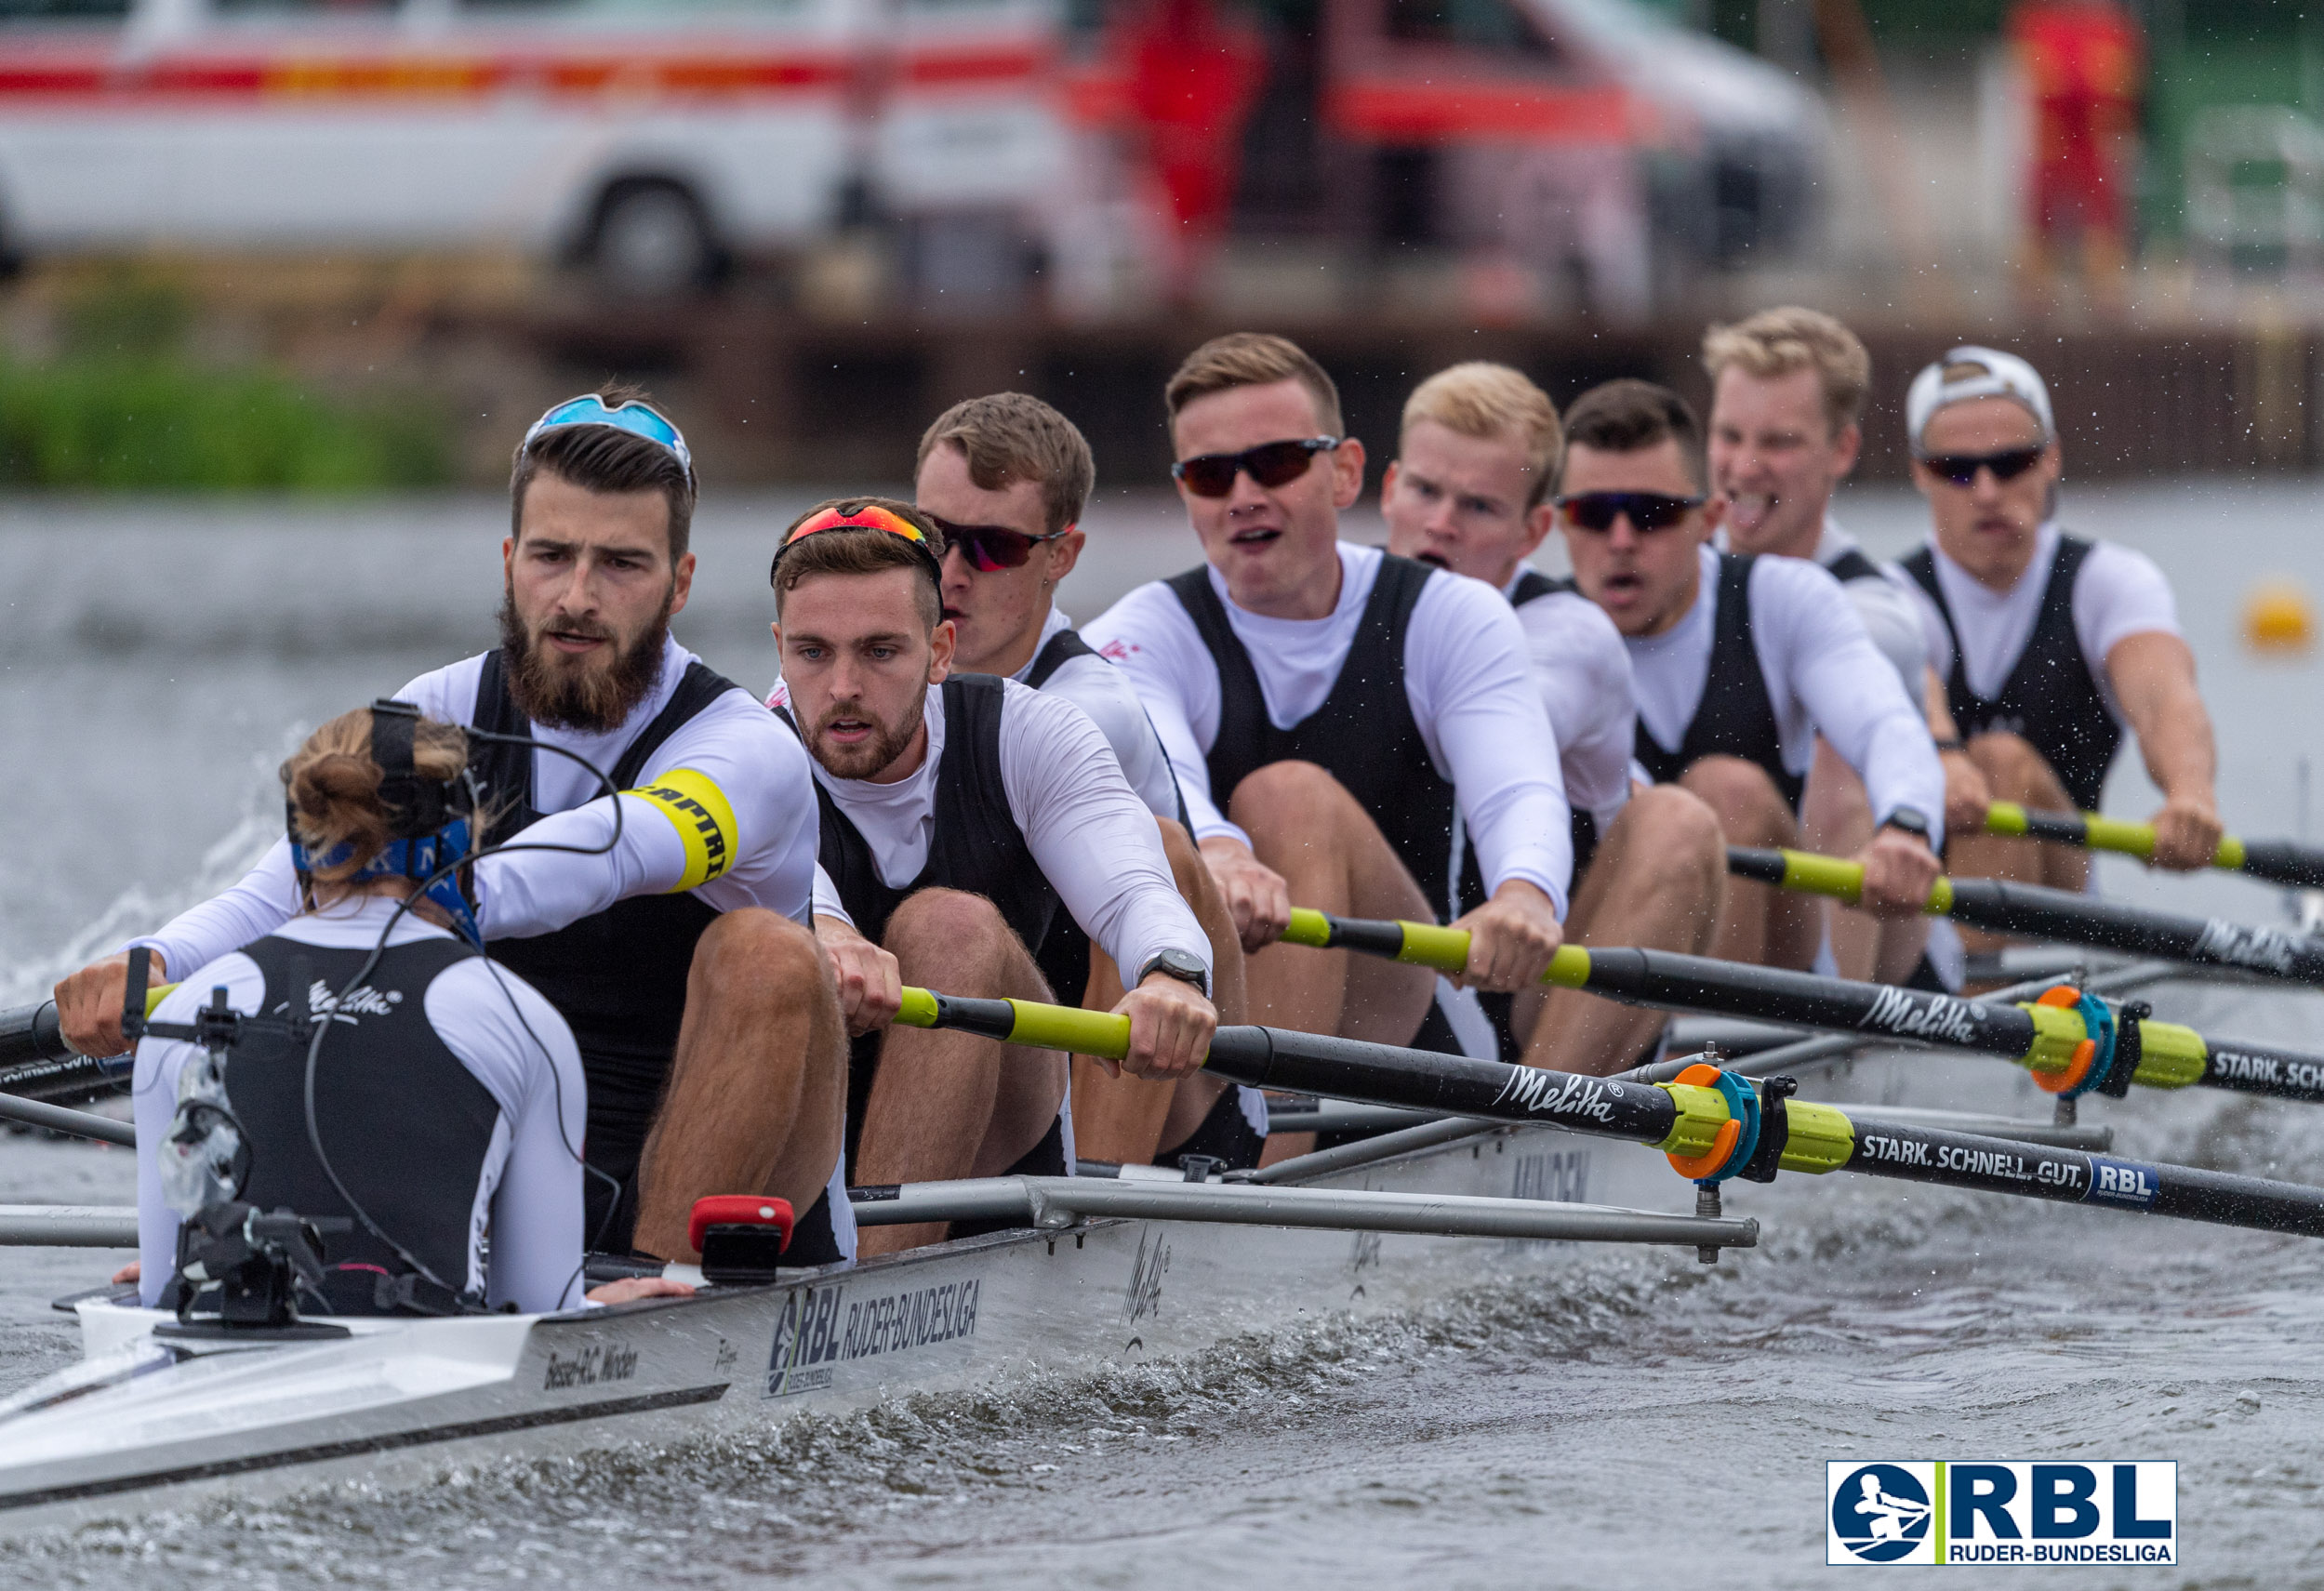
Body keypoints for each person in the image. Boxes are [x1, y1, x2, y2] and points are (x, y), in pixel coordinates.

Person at [61, 389, 850, 1268]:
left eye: (622, 564)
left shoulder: (746, 749)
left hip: (711, 1168)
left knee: (766, 952)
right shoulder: (434, 709)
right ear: (511, 559)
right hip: (491, 1152)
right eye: (551, 556)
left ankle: (658, 1289)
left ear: (681, 581)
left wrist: (409, 884)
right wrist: (157, 962)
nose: (577, 596)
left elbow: (616, 847)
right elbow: (283, 884)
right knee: (322, 968)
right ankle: (273, 1246)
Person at [1084, 333, 1569, 1125]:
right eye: (1210, 474)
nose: (1241, 493)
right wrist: (1224, 853)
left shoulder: (1449, 614)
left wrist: (1524, 893)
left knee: (1289, 797)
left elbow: (1517, 784)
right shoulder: (1141, 634)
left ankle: (1261, 1183)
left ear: (1344, 473)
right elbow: (1164, 775)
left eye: (1273, 463)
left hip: (1416, 1031)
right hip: (1213, 1019)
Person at [768, 500, 1218, 1255]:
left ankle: (866, 1293)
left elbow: (1135, 886)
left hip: (1011, 1133)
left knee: (947, 924)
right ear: (780, 649)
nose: (843, 685)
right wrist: (832, 935)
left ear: (941, 651)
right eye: (813, 653)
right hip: (825, 1138)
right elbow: (786, 880)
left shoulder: (1030, 730)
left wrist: (1170, 974)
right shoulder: (747, 753)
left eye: (880, 652)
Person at [134, 706, 687, 1314]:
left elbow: (157, 1293)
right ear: (456, 848)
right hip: (427, 1365)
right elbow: (537, 1306)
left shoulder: (185, 1009)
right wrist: (603, 1305)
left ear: (304, 847)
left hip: (210, 1348)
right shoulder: (523, 1021)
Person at [910, 392, 1253, 1168]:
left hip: (1165, 1069)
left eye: (993, 547)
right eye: (930, 539)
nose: (951, 573)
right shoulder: (858, 672)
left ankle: (1094, 1219)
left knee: (1156, 846)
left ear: (1059, 556)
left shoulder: (1089, 705)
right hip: (1018, 1051)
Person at [1379, 362, 1724, 1075]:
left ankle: (1542, 1118)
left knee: (1678, 821)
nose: (1440, 523)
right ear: (1387, 491)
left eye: (1477, 507)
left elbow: (1490, 727)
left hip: (1527, 1001)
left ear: (1532, 531)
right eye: (1423, 491)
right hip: (1389, 976)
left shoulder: (1568, 633)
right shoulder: (1324, 607)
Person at [1555, 378, 1945, 970]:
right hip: (1590, 965)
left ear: (1709, 518)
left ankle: (1703, 1053)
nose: (1621, 541)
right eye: (1592, 514)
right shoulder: (1536, 628)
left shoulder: (1782, 599)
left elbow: (1884, 723)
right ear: (1555, 523)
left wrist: (1907, 826)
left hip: (1770, 962)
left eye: (1652, 515)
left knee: (1725, 791)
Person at [1895, 346, 2220, 923]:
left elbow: (2164, 698)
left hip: (2061, 892)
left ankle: (1976, 992)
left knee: (1999, 765)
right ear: (1921, 473)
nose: (1988, 491)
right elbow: (1914, 691)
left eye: (2012, 462)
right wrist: (1943, 758)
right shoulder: (1893, 597)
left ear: (2051, 460)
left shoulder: (2108, 582)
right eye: (1958, 469)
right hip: (1908, 899)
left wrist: (2189, 794)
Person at [1704, 307, 1952, 984]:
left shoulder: (1878, 611)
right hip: (1720, 908)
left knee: (1818, 766)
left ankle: (1809, 1040)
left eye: (1777, 441)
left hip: (1879, 943)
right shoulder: (1658, 579)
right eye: (1728, 435)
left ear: (1840, 450)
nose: (1743, 467)